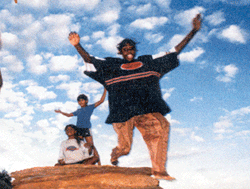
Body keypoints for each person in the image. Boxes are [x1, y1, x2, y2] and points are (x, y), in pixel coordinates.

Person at [68, 14, 202, 180]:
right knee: (125, 148)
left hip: (146, 110)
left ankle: (159, 170)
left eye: (131, 49)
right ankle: (116, 153)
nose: (129, 52)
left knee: (161, 127)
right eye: (125, 50)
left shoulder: (149, 62)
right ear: (120, 52)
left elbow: (174, 51)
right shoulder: (111, 66)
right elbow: (90, 59)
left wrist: (193, 31)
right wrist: (77, 45)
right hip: (121, 114)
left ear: (135, 50)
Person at [55, 90, 106, 165]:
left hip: (86, 129)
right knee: (79, 145)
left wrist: (105, 90)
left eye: (82, 100)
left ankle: (99, 163)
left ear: (86, 101)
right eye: (79, 101)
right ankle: (79, 161)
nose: (80, 102)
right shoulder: (78, 111)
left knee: (91, 145)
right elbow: (69, 115)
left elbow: (101, 101)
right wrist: (61, 112)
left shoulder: (90, 107)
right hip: (78, 130)